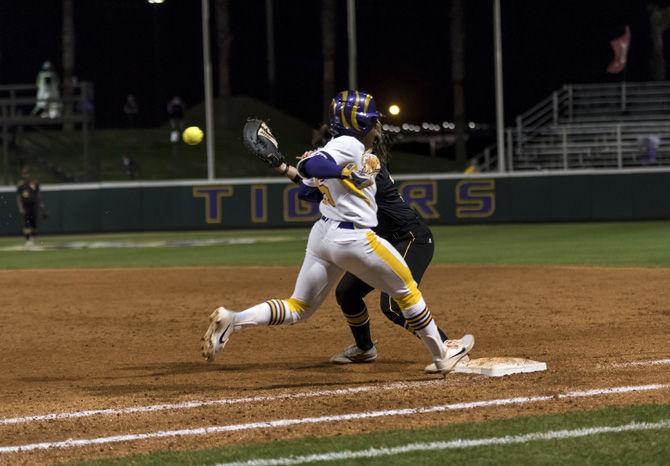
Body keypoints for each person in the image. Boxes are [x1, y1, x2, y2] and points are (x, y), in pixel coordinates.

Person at [202, 90, 474, 374]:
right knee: (406, 292)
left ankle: (234, 320)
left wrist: (285, 167)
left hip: (324, 235)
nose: (376, 127)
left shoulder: (342, 149)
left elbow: (309, 190)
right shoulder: (349, 145)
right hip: (354, 237)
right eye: (371, 121)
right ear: (359, 124)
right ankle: (443, 353)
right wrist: (339, 172)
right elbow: (312, 165)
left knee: (298, 307)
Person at [275, 125, 467, 373]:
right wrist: (286, 167)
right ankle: (364, 348)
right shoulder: (348, 168)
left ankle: (447, 346)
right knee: (347, 294)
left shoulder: (367, 166)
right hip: (380, 240)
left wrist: (315, 164)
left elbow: (320, 187)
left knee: (394, 305)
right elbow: (312, 192)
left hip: (411, 239)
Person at [16, 166, 45, 247]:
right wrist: (21, 208)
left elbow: (38, 195)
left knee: (34, 224)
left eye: (27, 174)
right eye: (24, 174)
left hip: (34, 205)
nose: (26, 176)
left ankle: (32, 238)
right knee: (26, 223)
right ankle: (28, 239)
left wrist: (42, 206)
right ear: (22, 175)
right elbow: (18, 197)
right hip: (25, 206)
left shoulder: (34, 183)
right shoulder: (20, 185)